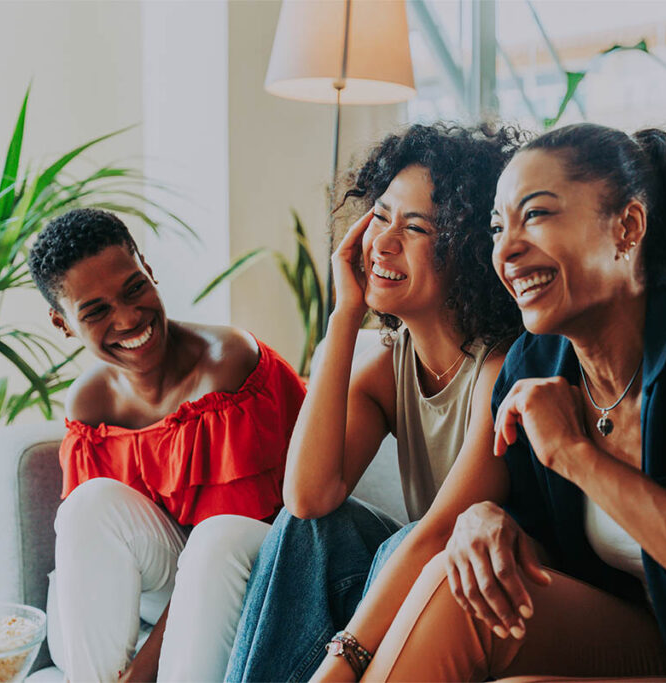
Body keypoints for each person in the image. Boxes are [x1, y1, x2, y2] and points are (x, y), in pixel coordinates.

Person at [354, 123, 666, 682]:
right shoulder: (536, 362)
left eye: (535, 215)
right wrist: (488, 523)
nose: (508, 250)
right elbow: (534, 538)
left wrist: (577, 456)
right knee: (467, 587)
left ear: (627, 227)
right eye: (498, 227)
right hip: (631, 640)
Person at [225, 123, 526, 682]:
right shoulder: (390, 365)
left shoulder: (502, 365)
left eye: (415, 228)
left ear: (466, 248)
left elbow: (440, 532)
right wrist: (343, 317)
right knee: (308, 531)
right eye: (380, 216)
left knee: (410, 541)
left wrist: (340, 665)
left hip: (492, 592)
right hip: (424, 575)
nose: (384, 242)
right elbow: (308, 498)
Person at [27, 208, 306, 682]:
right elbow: (100, 552)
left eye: (134, 288)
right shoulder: (90, 403)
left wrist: (141, 672)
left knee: (216, 539)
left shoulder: (227, 363)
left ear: (149, 271)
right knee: (85, 506)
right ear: (64, 324)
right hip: (174, 583)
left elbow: (230, 539)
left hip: (263, 571)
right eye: (95, 312)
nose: (129, 318)